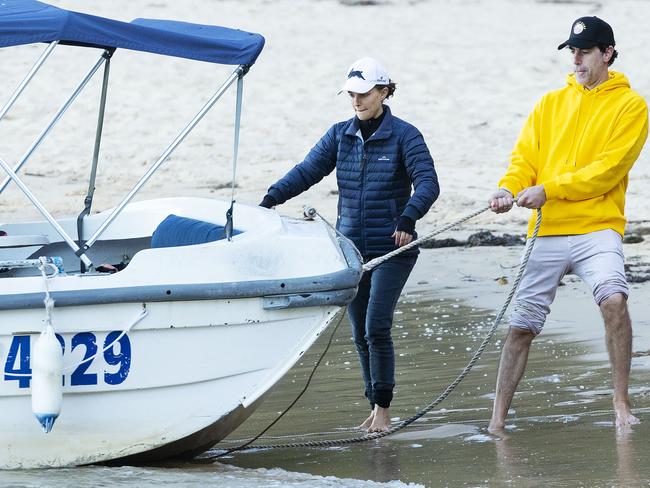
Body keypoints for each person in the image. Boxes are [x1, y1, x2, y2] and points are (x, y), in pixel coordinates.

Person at [259, 57, 439, 432]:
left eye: (364, 93)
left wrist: (408, 218)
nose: (356, 101)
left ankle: (385, 412)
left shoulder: (406, 135)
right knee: (359, 333)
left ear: (384, 91)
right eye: (351, 94)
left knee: (376, 327)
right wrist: (270, 199)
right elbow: (308, 171)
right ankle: (373, 408)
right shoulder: (340, 134)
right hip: (351, 251)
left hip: (393, 248)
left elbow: (428, 183)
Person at [488, 16, 648, 431]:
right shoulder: (549, 104)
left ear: (608, 53)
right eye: (573, 51)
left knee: (614, 302)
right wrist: (508, 189)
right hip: (549, 230)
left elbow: (607, 171)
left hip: (598, 228)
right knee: (522, 327)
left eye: (585, 51)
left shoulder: (632, 106)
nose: (576, 59)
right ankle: (496, 423)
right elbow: (524, 160)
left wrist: (550, 189)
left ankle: (620, 404)